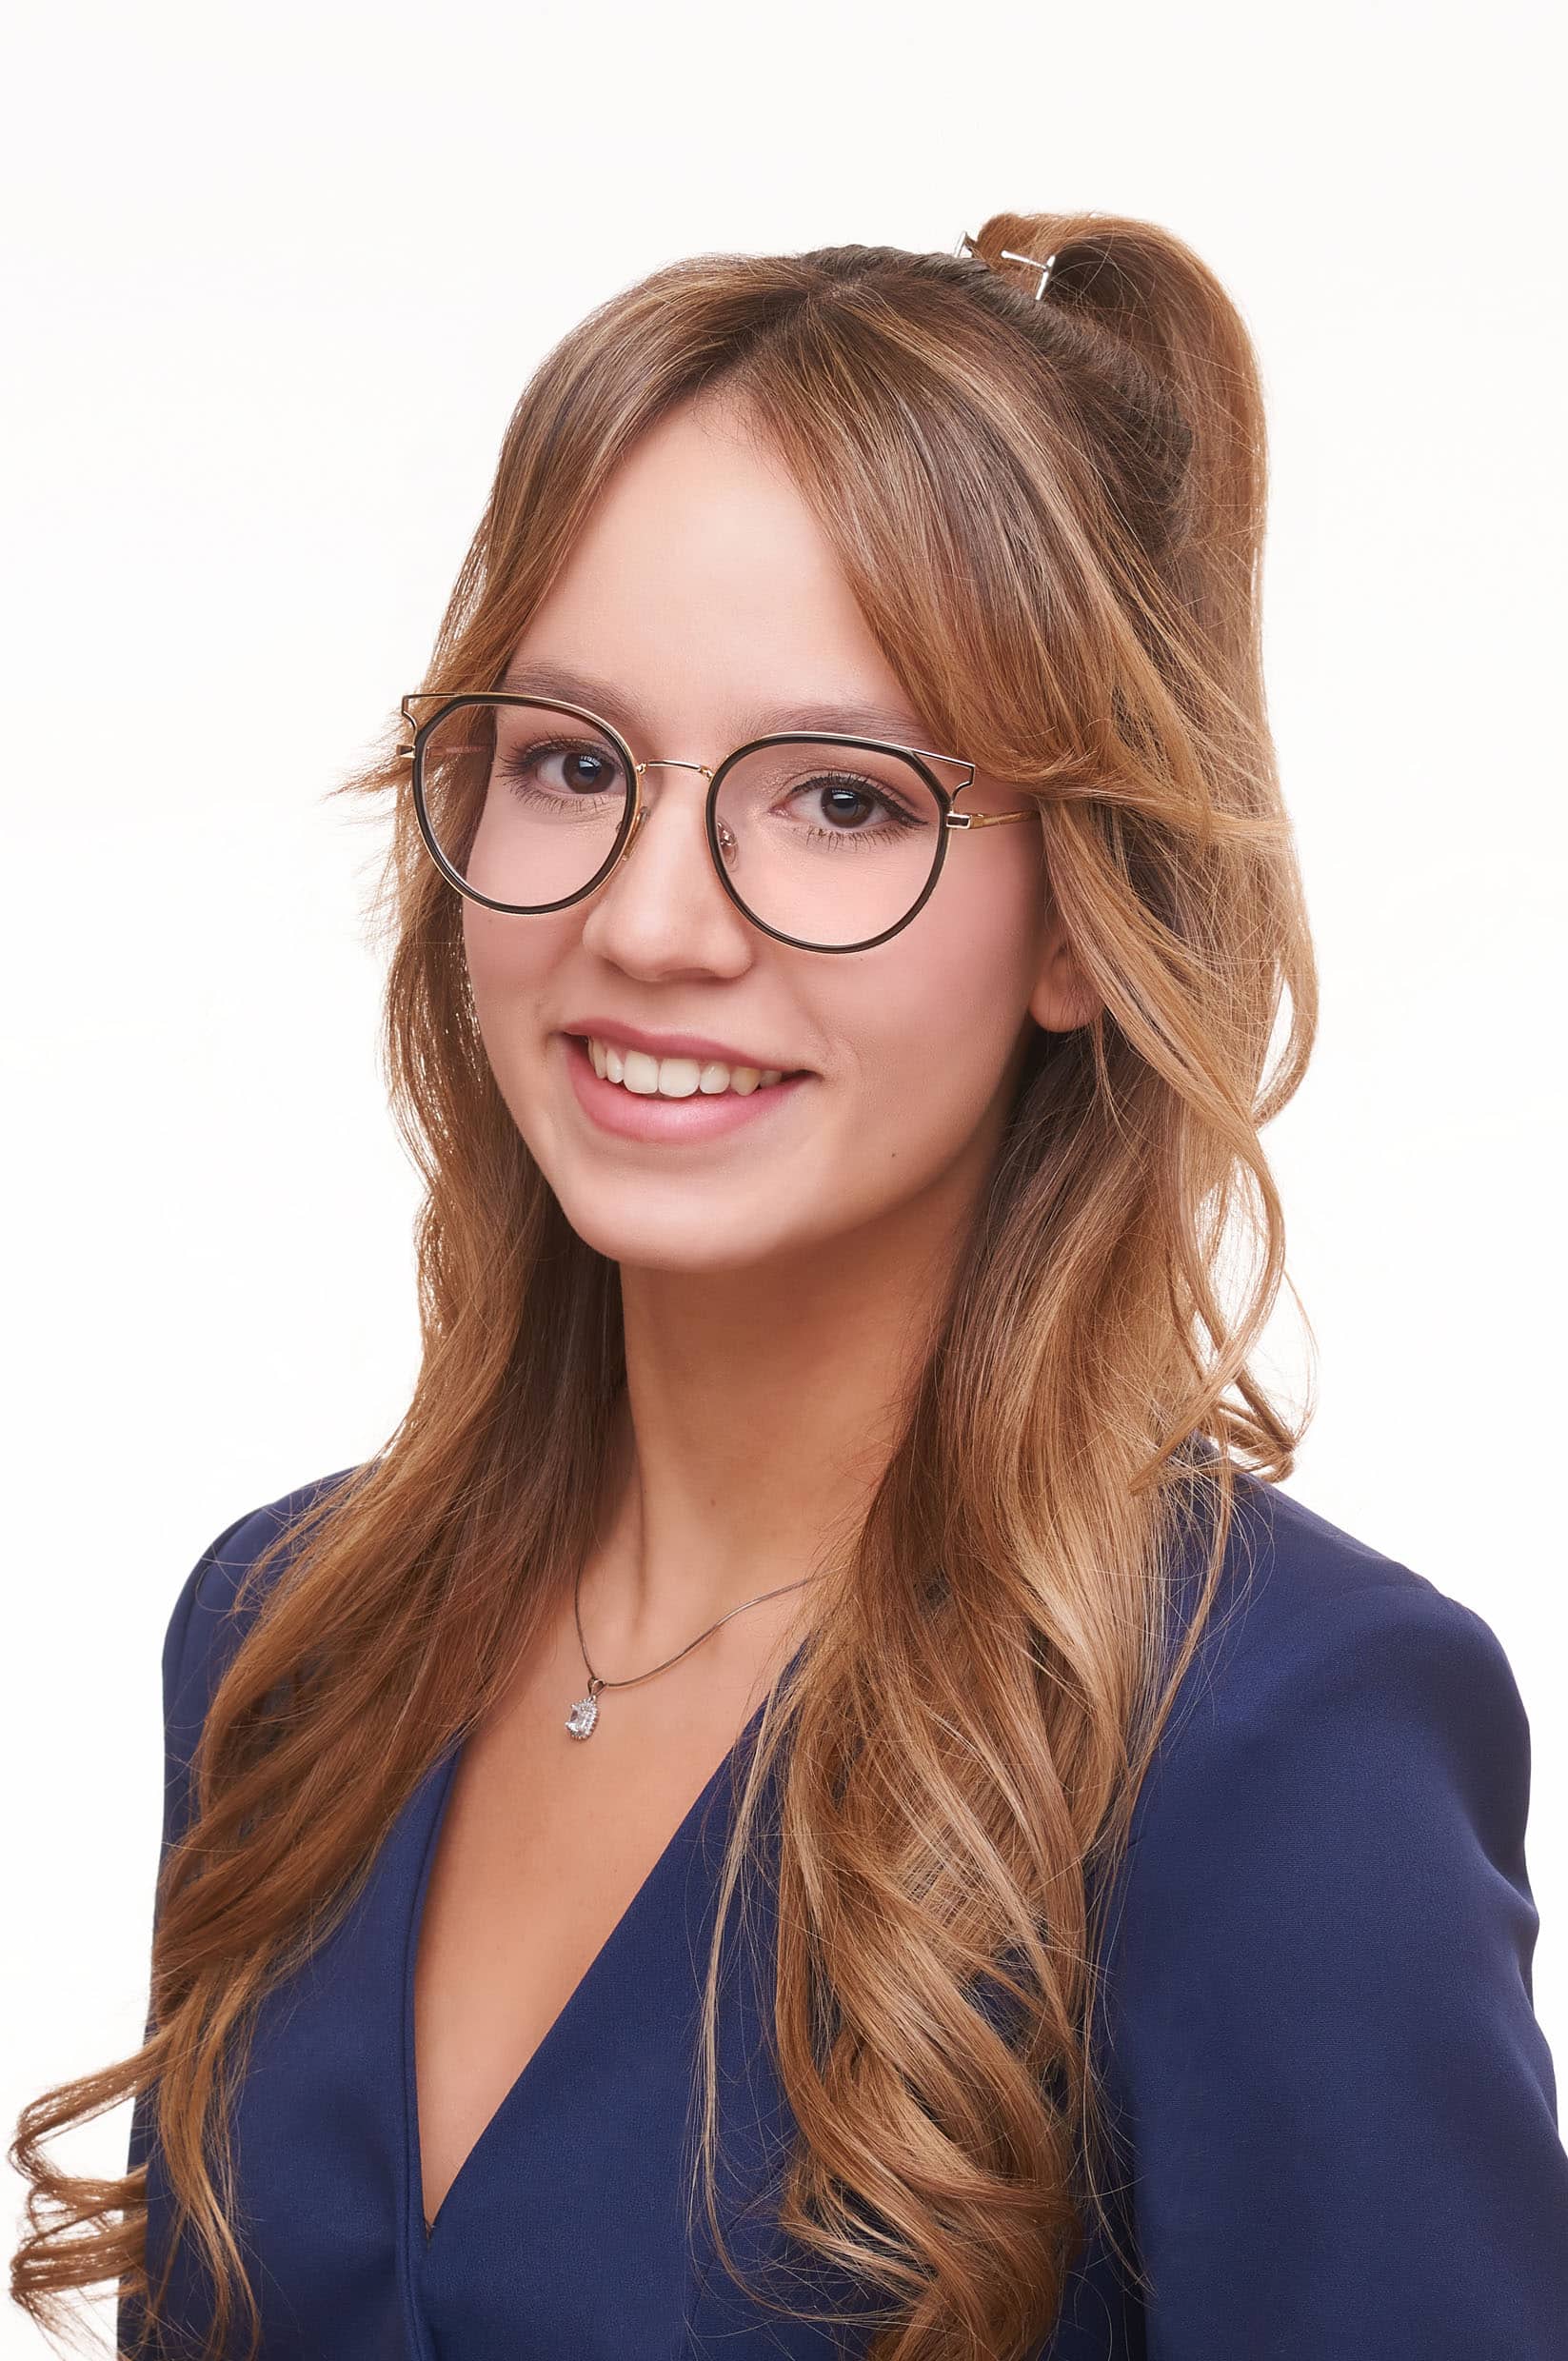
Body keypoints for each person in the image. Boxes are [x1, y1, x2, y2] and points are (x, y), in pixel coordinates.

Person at [11, 212, 1567, 2361]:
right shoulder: (290, 1642)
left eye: (841, 801)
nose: (651, 921)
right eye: (571, 763)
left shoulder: (1268, 1744)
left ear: (1081, 920)